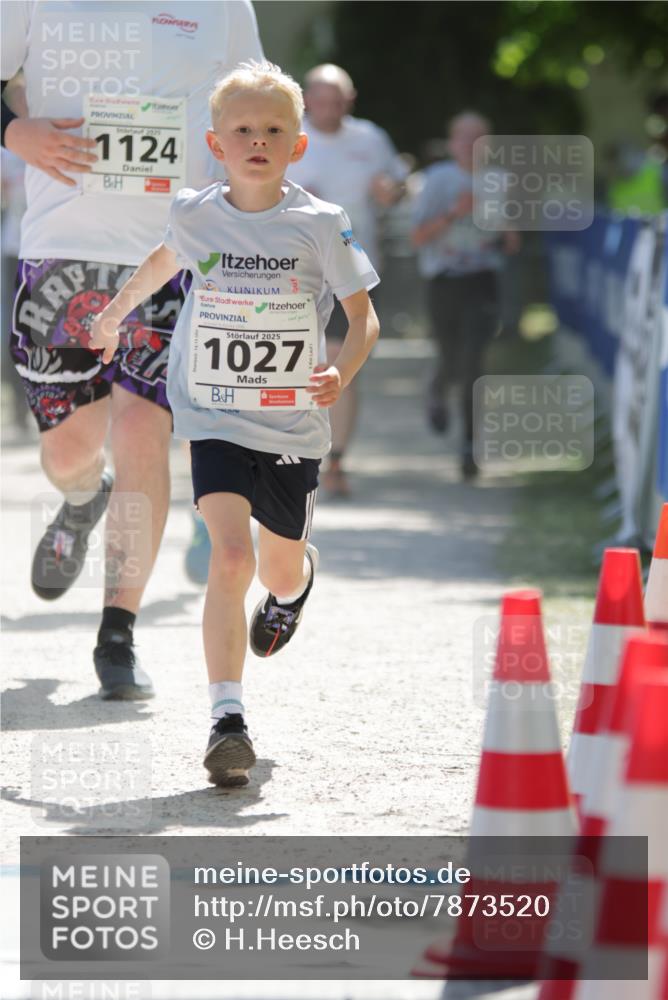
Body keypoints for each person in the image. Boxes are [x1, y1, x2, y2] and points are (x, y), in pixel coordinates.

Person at [90, 61, 380, 786]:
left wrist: (338, 374)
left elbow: (363, 316)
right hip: (214, 413)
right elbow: (164, 260)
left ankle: (296, 584)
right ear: (217, 145)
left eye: (274, 130)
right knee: (229, 558)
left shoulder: (320, 224)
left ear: (297, 145)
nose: (258, 141)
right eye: (243, 130)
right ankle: (228, 718)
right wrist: (116, 311)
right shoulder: (195, 212)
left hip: (290, 429)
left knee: (275, 569)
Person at [1, 1, 263, 698]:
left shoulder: (221, 7)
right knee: (68, 451)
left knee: (143, 428)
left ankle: (118, 632)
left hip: (172, 256)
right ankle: (84, 500)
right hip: (63, 253)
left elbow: (258, 107)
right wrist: (14, 130)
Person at [286, 63, 405, 496]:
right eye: (320, 99)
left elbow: (398, 183)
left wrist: (391, 189)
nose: (329, 108)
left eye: (337, 100)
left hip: (352, 266)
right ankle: (287, 454)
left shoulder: (370, 138)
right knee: (290, 364)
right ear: (306, 100)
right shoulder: (286, 133)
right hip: (291, 269)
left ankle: (334, 461)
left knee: (337, 362)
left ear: (349, 100)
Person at [411, 111, 520, 479]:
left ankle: (469, 446)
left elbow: (512, 240)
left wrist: (506, 230)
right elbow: (417, 237)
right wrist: (455, 213)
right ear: (452, 142)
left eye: (480, 138)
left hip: (482, 278)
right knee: (451, 356)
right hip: (444, 278)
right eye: (464, 137)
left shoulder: (500, 180)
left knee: (474, 361)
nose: (472, 145)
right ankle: (437, 389)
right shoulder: (437, 180)